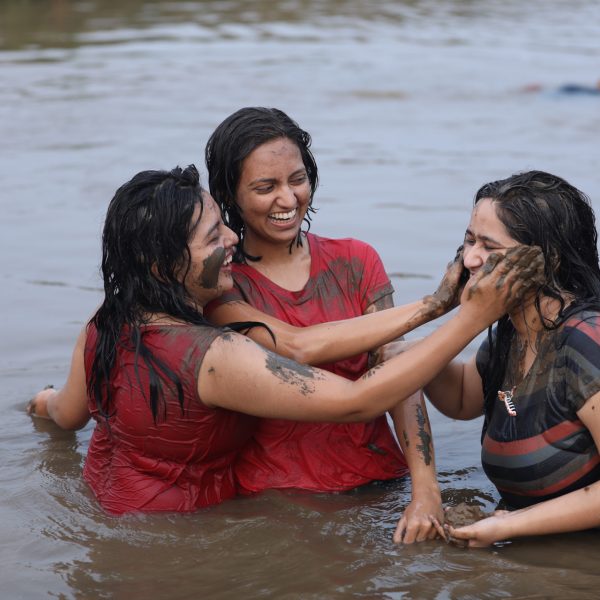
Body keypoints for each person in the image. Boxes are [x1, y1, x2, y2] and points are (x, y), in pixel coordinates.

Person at [27, 164, 541, 517]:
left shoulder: (104, 324)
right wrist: (473, 316)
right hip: (180, 535)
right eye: (212, 236)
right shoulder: (215, 355)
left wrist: (38, 402)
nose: (230, 239)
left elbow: (68, 414)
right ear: (165, 266)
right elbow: (358, 401)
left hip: (104, 510)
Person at [203, 107, 448, 543]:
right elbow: (296, 348)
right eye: (265, 187)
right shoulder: (221, 287)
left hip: (380, 487)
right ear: (229, 194)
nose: (288, 199)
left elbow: (399, 369)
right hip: (274, 504)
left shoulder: (356, 261)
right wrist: (443, 305)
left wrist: (425, 490)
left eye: (297, 180)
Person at [422, 170, 600, 547]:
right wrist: (431, 321)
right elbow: (461, 400)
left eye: (489, 247)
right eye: (469, 240)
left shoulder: (586, 341)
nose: (470, 258)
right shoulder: (513, 332)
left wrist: (508, 525)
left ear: (547, 260)